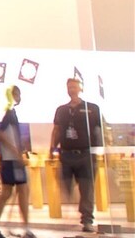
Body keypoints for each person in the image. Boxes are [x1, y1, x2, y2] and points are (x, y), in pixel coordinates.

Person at [51, 77, 104, 233]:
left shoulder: (92, 108)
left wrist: (100, 150)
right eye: (69, 87)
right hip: (66, 154)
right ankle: (73, 211)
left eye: (74, 87)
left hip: (86, 154)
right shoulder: (61, 110)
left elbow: (99, 130)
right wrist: (53, 148)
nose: (71, 89)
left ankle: (87, 219)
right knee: (65, 184)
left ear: (80, 88)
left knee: (87, 188)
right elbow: (57, 130)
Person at [0, 86, 34, 238]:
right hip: (11, 161)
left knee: (19, 191)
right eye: (16, 94)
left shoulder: (11, 113)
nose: (18, 96)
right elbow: (1, 135)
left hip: (12, 159)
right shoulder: (9, 113)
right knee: (14, 192)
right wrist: (16, 153)